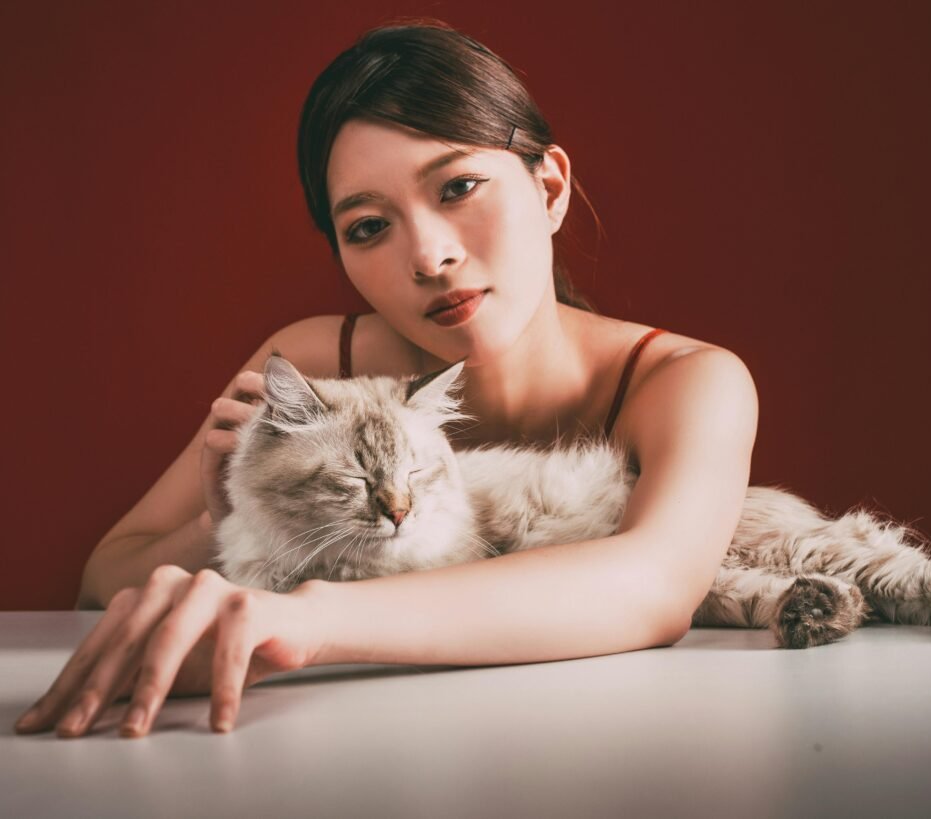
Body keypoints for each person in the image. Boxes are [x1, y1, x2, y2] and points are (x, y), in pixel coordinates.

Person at [15, 19, 758, 739]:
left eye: (459, 186)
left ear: (551, 187)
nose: (429, 257)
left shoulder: (686, 381)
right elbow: (104, 575)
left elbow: (654, 584)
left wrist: (307, 620)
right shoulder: (311, 363)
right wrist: (234, 520)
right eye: (368, 226)